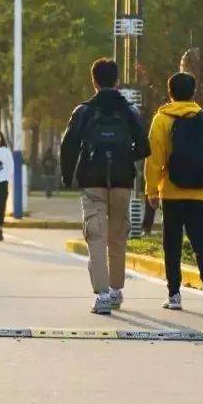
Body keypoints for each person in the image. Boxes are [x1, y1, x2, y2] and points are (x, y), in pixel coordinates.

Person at [59, 58, 150, 314]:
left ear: (94, 81)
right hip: (122, 181)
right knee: (117, 236)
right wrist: (124, 156)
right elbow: (145, 147)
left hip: (92, 182)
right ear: (117, 80)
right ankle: (116, 290)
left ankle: (101, 296)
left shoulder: (84, 111)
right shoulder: (130, 110)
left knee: (96, 236)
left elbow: (68, 146)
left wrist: (68, 177)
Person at [145, 71, 203, 314]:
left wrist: (151, 189)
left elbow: (154, 159)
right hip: (201, 191)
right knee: (202, 240)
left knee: (172, 244)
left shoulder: (162, 119)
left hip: (171, 191)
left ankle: (174, 294)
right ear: (193, 92)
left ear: (170, 93)